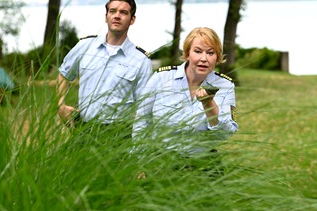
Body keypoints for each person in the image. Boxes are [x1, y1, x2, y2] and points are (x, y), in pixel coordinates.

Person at [132, 27, 238, 173]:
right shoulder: (161, 78)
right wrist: (140, 162)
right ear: (188, 53)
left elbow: (224, 134)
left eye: (210, 53)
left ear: (217, 57)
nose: (204, 58)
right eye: (198, 51)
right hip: (161, 160)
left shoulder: (225, 85)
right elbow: (142, 122)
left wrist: (209, 105)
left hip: (204, 164)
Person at [57, 0, 152, 129]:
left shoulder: (141, 60)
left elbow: (145, 107)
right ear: (106, 16)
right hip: (82, 128)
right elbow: (64, 74)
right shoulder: (85, 46)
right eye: (112, 11)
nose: (117, 16)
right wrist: (60, 104)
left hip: (118, 134)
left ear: (132, 19)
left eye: (123, 12)